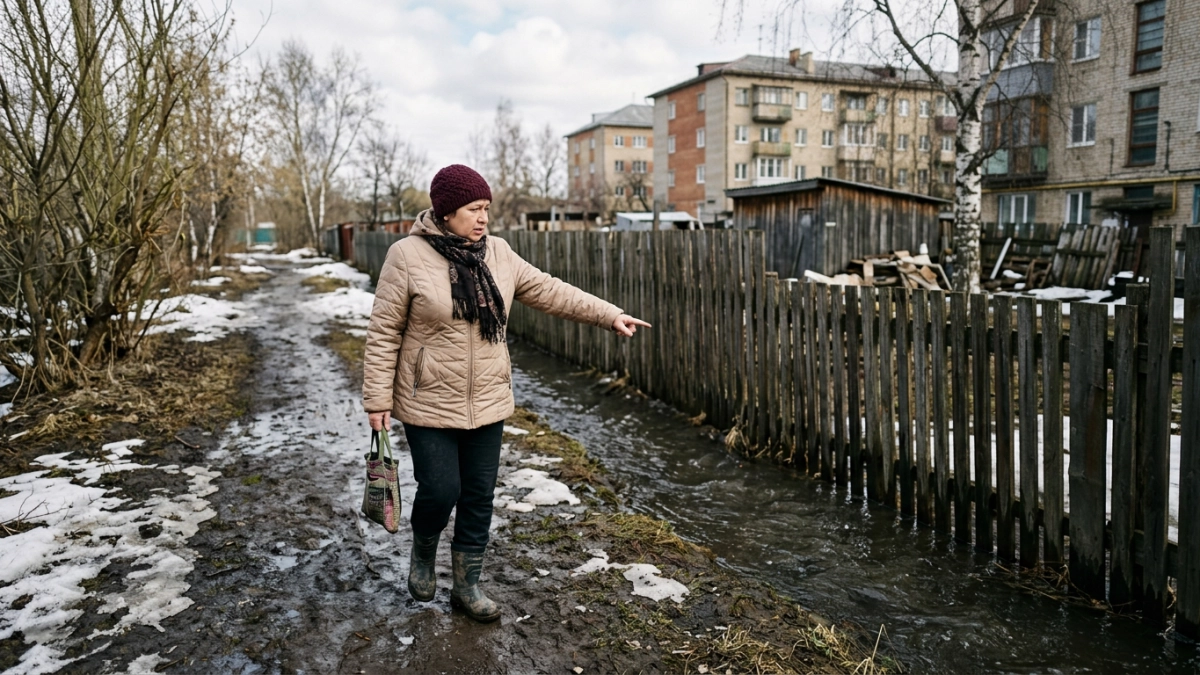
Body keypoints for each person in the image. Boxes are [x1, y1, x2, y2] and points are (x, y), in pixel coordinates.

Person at [362, 164, 649, 622]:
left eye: (486, 209)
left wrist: (608, 314)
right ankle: (423, 552)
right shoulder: (407, 256)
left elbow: (551, 290)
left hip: (488, 400)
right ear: (446, 211)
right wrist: (377, 400)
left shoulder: (499, 253)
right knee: (440, 488)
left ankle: (466, 586)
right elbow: (383, 332)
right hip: (428, 400)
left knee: (478, 495)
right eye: (473, 209)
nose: (483, 219)